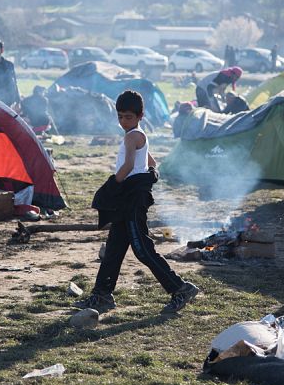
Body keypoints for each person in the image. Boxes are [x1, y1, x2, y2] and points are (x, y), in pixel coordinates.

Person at [75, 90, 200, 314]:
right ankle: (102, 295)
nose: (123, 121)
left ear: (140, 115)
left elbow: (129, 166)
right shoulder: (138, 134)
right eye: (120, 116)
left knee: (142, 249)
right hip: (129, 197)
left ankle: (180, 288)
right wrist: (151, 173)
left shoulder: (132, 136)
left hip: (132, 199)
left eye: (128, 117)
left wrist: (111, 186)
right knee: (114, 248)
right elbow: (150, 160)